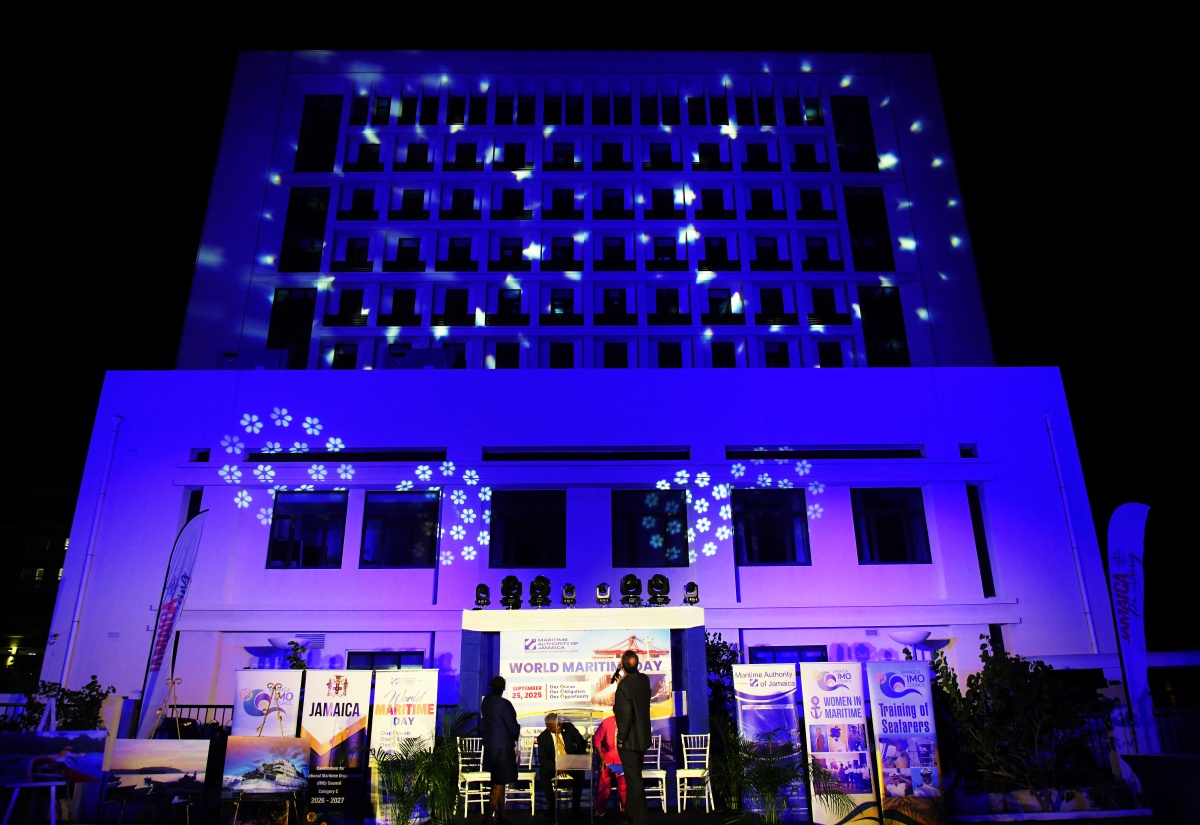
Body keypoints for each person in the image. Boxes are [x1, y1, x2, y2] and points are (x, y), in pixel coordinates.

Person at [613, 650, 652, 825]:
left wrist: (620, 739)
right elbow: (636, 698)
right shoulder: (644, 680)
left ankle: (641, 817)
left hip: (629, 740)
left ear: (622, 665)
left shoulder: (624, 686)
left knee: (633, 779)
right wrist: (623, 684)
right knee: (634, 777)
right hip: (642, 738)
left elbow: (625, 716)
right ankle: (630, 813)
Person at [480, 676, 521, 825]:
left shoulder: (486, 702)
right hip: (503, 748)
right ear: (503, 688)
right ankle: (488, 818)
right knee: (498, 782)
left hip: (490, 747)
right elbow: (512, 725)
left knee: (500, 780)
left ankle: (502, 816)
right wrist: (516, 733)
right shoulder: (504, 704)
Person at [537, 712, 587, 819]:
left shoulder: (569, 727)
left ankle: (576, 809)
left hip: (570, 762)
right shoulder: (542, 737)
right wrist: (558, 766)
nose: (559, 728)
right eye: (555, 726)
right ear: (548, 727)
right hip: (554, 765)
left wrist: (575, 760)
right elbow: (543, 759)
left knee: (580, 774)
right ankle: (551, 809)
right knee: (543, 774)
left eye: (559, 724)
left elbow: (582, 743)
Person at [592, 712, 626, 818]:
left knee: (624, 784)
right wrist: (601, 759)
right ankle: (600, 809)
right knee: (603, 782)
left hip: (623, 759)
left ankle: (626, 810)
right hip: (607, 757)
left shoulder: (630, 722)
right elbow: (597, 740)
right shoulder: (607, 722)